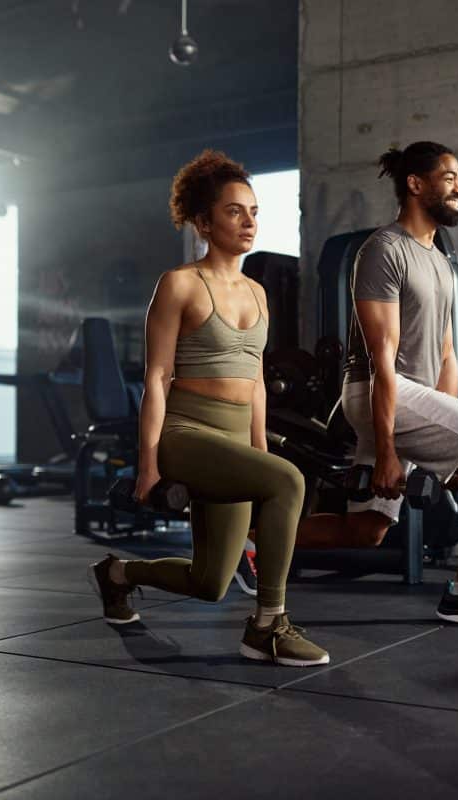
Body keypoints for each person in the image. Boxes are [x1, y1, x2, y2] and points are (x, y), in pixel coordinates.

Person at [271, 141, 458, 629]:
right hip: (379, 393)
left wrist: (454, 445)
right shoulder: (384, 249)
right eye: (449, 176)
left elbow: (445, 353)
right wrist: (390, 445)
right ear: (415, 184)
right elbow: (380, 358)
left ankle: (249, 539)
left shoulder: (438, 259)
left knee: (366, 529)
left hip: (412, 399)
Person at [87, 150, 329, 667]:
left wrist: (259, 455)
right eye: (234, 211)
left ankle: (117, 574)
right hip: (187, 432)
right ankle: (267, 626)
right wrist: (149, 463)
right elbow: (156, 376)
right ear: (203, 221)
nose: (248, 222)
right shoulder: (179, 284)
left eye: (255, 211)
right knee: (291, 481)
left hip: (237, 439)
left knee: (210, 582)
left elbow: (258, 382)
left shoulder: (260, 293)